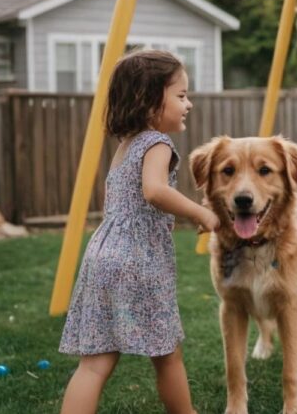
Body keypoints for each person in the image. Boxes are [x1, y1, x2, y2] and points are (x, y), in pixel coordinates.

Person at [58, 50, 219, 414]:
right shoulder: (158, 143)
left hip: (103, 256)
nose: (188, 103)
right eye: (180, 96)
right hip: (138, 261)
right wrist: (200, 214)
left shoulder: (126, 145)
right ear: (148, 100)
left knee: (94, 363)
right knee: (167, 353)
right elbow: (155, 191)